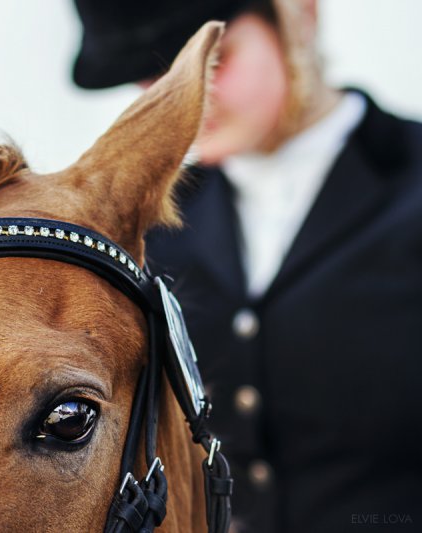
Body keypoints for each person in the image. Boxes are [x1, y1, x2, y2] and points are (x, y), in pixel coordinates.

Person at [72, 1, 422, 532]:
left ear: (299, 15)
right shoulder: (153, 230)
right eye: (152, 78)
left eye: (214, 61)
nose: (185, 95)